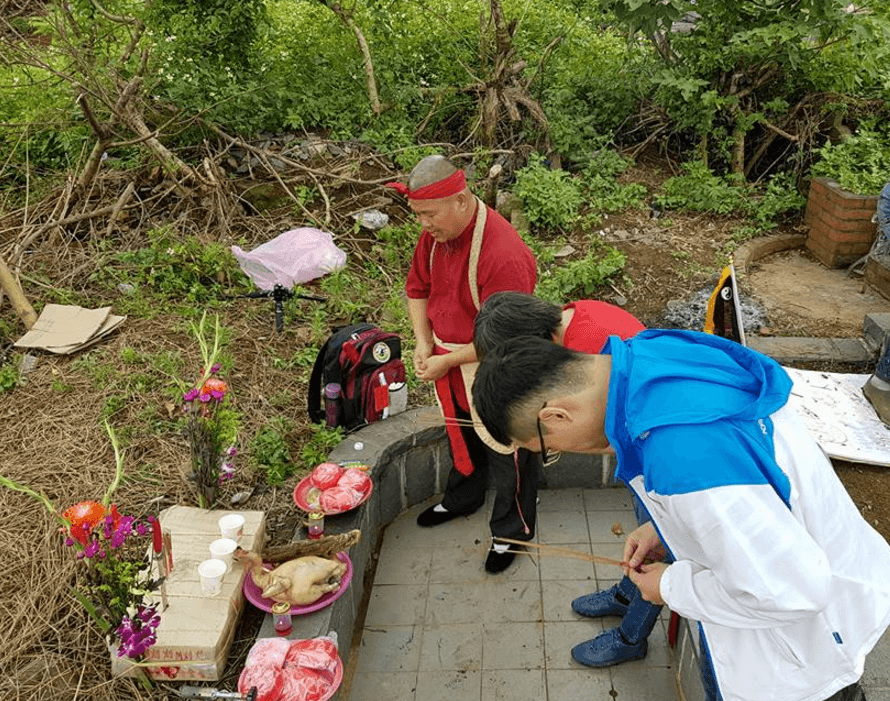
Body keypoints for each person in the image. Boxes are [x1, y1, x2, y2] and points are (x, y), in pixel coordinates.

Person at [472, 331, 890, 701]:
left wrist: (670, 586)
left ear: (555, 416)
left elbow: (793, 591)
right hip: (822, 582)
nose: (560, 454)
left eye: (548, 449)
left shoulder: (685, 459)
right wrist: (664, 526)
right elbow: (744, 490)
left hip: (801, 654)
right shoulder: (647, 358)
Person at [473, 291, 659, 668]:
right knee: (647, 542)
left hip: (655, 464)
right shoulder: (574, 316)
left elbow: (614, 437)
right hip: (645, 451)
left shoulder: (589, 353)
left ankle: (631, 637)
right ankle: (626, 594)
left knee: (659, 548)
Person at [390, 154, 538, 573]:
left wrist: (446, 359)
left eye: (429, 214)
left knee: (508, 446)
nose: (423, 224)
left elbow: (508, 335)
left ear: (460, 200)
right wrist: (422, 342)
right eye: (417, 214)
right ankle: (462, 497)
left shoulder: (502, 253)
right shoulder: (435, 236)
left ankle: (512, 531)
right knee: (461, 432)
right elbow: (417, 287)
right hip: (448, 357)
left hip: (496, 361)